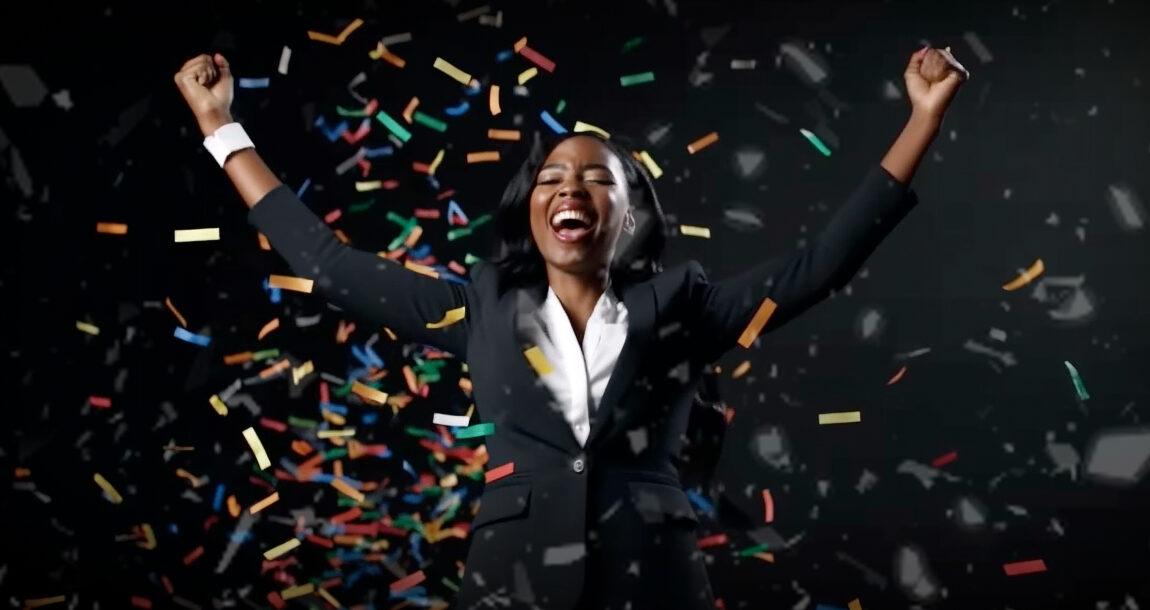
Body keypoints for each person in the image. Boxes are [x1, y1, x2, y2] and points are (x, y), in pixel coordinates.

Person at [174, 45, 963, 610]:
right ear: (533, 209)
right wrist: (221, 127)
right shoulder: (478, 303)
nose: (570, 186)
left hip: (655, 578)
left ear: (631, 212)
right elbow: (330, 263)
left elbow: (820, 264)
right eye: (552, 176)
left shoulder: (689, 306)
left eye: (596, 176)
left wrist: (922, 119)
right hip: (510, 580)